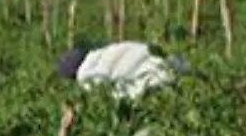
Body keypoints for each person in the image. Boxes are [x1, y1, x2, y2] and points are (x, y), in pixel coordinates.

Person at [56, 39, 185, 100]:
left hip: (158, 78)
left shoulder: (87, 77)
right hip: (169, 61)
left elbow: (117, 95)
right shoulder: (102, 52)